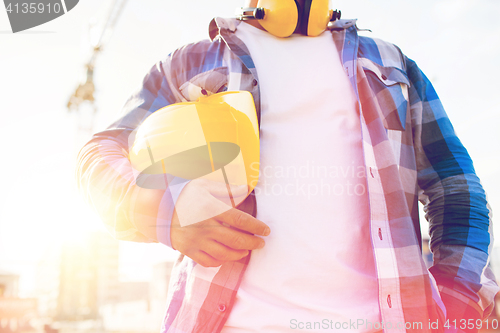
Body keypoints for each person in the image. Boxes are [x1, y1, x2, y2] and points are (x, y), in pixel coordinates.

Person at [76, 1, 499, 332]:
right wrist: (167, 215)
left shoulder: (393, 67)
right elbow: (98, 156)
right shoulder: (189, 65)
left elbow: (456, 188)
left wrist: (454, 302)